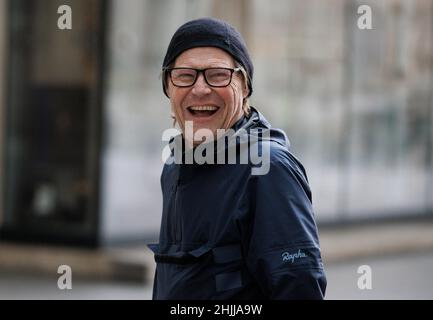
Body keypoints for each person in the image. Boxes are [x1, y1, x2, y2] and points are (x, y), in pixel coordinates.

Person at [148, 17, 327, 299]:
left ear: (244, 88)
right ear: (168, 88)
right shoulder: (174, 166)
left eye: (218, 75)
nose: (200, 89)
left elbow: (298, 288)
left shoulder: (267, 168)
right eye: (184, 75)